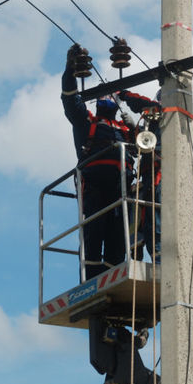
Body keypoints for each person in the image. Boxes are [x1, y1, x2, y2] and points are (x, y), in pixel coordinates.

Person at [61, 44, 135, 280]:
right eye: (103, 96)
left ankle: (114, 274)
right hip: (93, 187)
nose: (106, 98)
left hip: (120, 188)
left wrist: (135, 126)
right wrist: (69, 70)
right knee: (94, 232)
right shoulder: (87, 123)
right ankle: (91, 279)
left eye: (110, 95)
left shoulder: (126, 130)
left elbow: (152, 146)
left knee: (118, 235)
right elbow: (70, 101)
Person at [118, 89, 162, 261]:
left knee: (155, 219)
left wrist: (124, 93)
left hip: (159, 172)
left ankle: (158, 258)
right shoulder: (156, 124)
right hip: (150, 175)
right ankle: (151, 256)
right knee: (147, 219)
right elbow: (139, 140)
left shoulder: (163, 112)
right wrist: (132, 127)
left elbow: (141, 103)